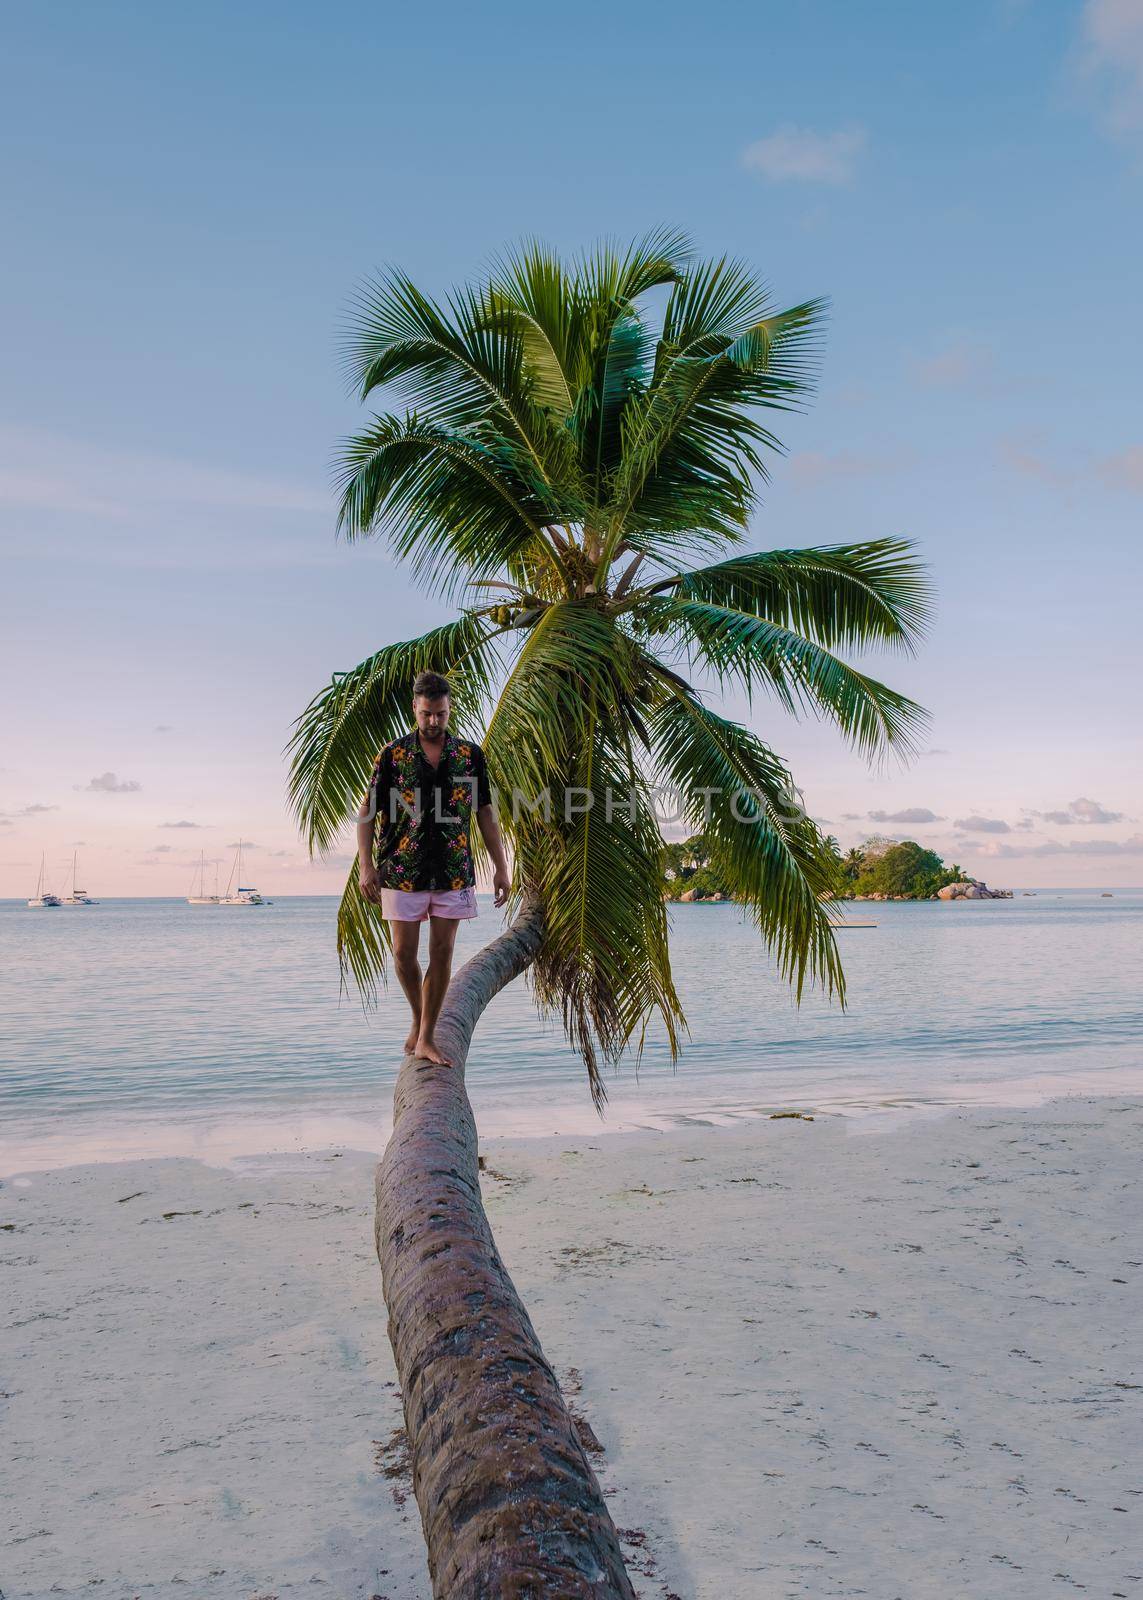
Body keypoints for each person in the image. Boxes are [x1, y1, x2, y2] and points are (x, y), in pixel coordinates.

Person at [356, 670, 510, 1066]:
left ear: (449, 708)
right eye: (426, 714)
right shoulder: (392, 756)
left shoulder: (471, 757)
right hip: (402, 869)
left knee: (442, 952)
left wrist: (500, 867)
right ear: (415, 708)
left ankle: (426, 1037)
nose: (433, 722)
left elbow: (485, 814)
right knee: (403, 954)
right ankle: (417, 1017)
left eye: (440, 714)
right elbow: (367, 813)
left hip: (453, 869)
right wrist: (366, 867)